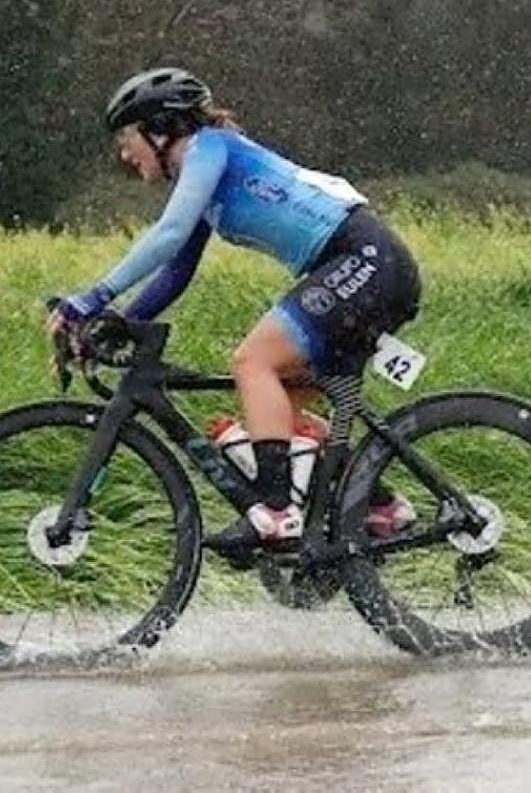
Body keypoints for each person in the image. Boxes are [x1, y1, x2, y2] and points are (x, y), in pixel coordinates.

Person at [49, 67, 421, 556]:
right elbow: (176, 271)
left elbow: (168, 234)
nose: (124, 153)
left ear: (160, 130)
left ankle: (276, 512)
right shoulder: (205, 177)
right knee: (279, 410)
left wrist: (92, 298)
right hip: (362, 267)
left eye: (127, 137)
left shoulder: (209, 147)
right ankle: (378, 506)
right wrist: (120, 323)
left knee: (253, 362)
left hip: (364, 260)